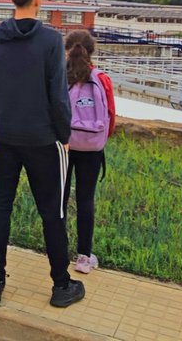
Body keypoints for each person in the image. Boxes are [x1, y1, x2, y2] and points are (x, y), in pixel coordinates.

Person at [0, 0, 83, 308]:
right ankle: (60, 284)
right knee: (52, 211)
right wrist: (63, 133)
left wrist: (0, 120)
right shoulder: (51, 40)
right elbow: (58, 95)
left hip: (6, 135)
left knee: (1, 208)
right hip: (42, 138)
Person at [62, 30, 116, 275]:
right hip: (92, 147)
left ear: (67, 50)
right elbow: (110, 114)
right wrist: (101, 138)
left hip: (64, 144)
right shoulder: (101, 78)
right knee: (85, 199)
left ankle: (59, 249)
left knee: (59, 197)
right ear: (92, 51)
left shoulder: (60, 76)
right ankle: (84, 256)